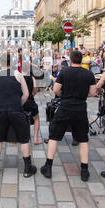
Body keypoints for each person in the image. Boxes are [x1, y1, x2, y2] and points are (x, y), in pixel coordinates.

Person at [41, 50, 96, 181]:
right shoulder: (88, 74)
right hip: (80, 107)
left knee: (54, 137)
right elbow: (93, 93)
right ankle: (84, 170)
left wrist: (64, 95)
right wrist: (81, 96)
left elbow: (55, 89)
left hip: (65, 107)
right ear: (81, 60)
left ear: (70, 60)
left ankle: (48, 167)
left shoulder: (64, 72)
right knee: (83, 139)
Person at [0, 51, 37, 178]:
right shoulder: (18, 75)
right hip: (16, 109)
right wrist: (18, 104)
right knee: (23, 138)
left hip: (1, 110)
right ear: (12, 62)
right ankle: (27, 168)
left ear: (0, 63)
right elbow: (26, 94)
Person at [22, 61, 42, 145]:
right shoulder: (32, 78)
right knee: (36, 118)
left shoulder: (18, 77)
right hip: (30, 101)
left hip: (20, 102)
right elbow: (35, 90)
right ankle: (36, 139)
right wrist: (31, 95)